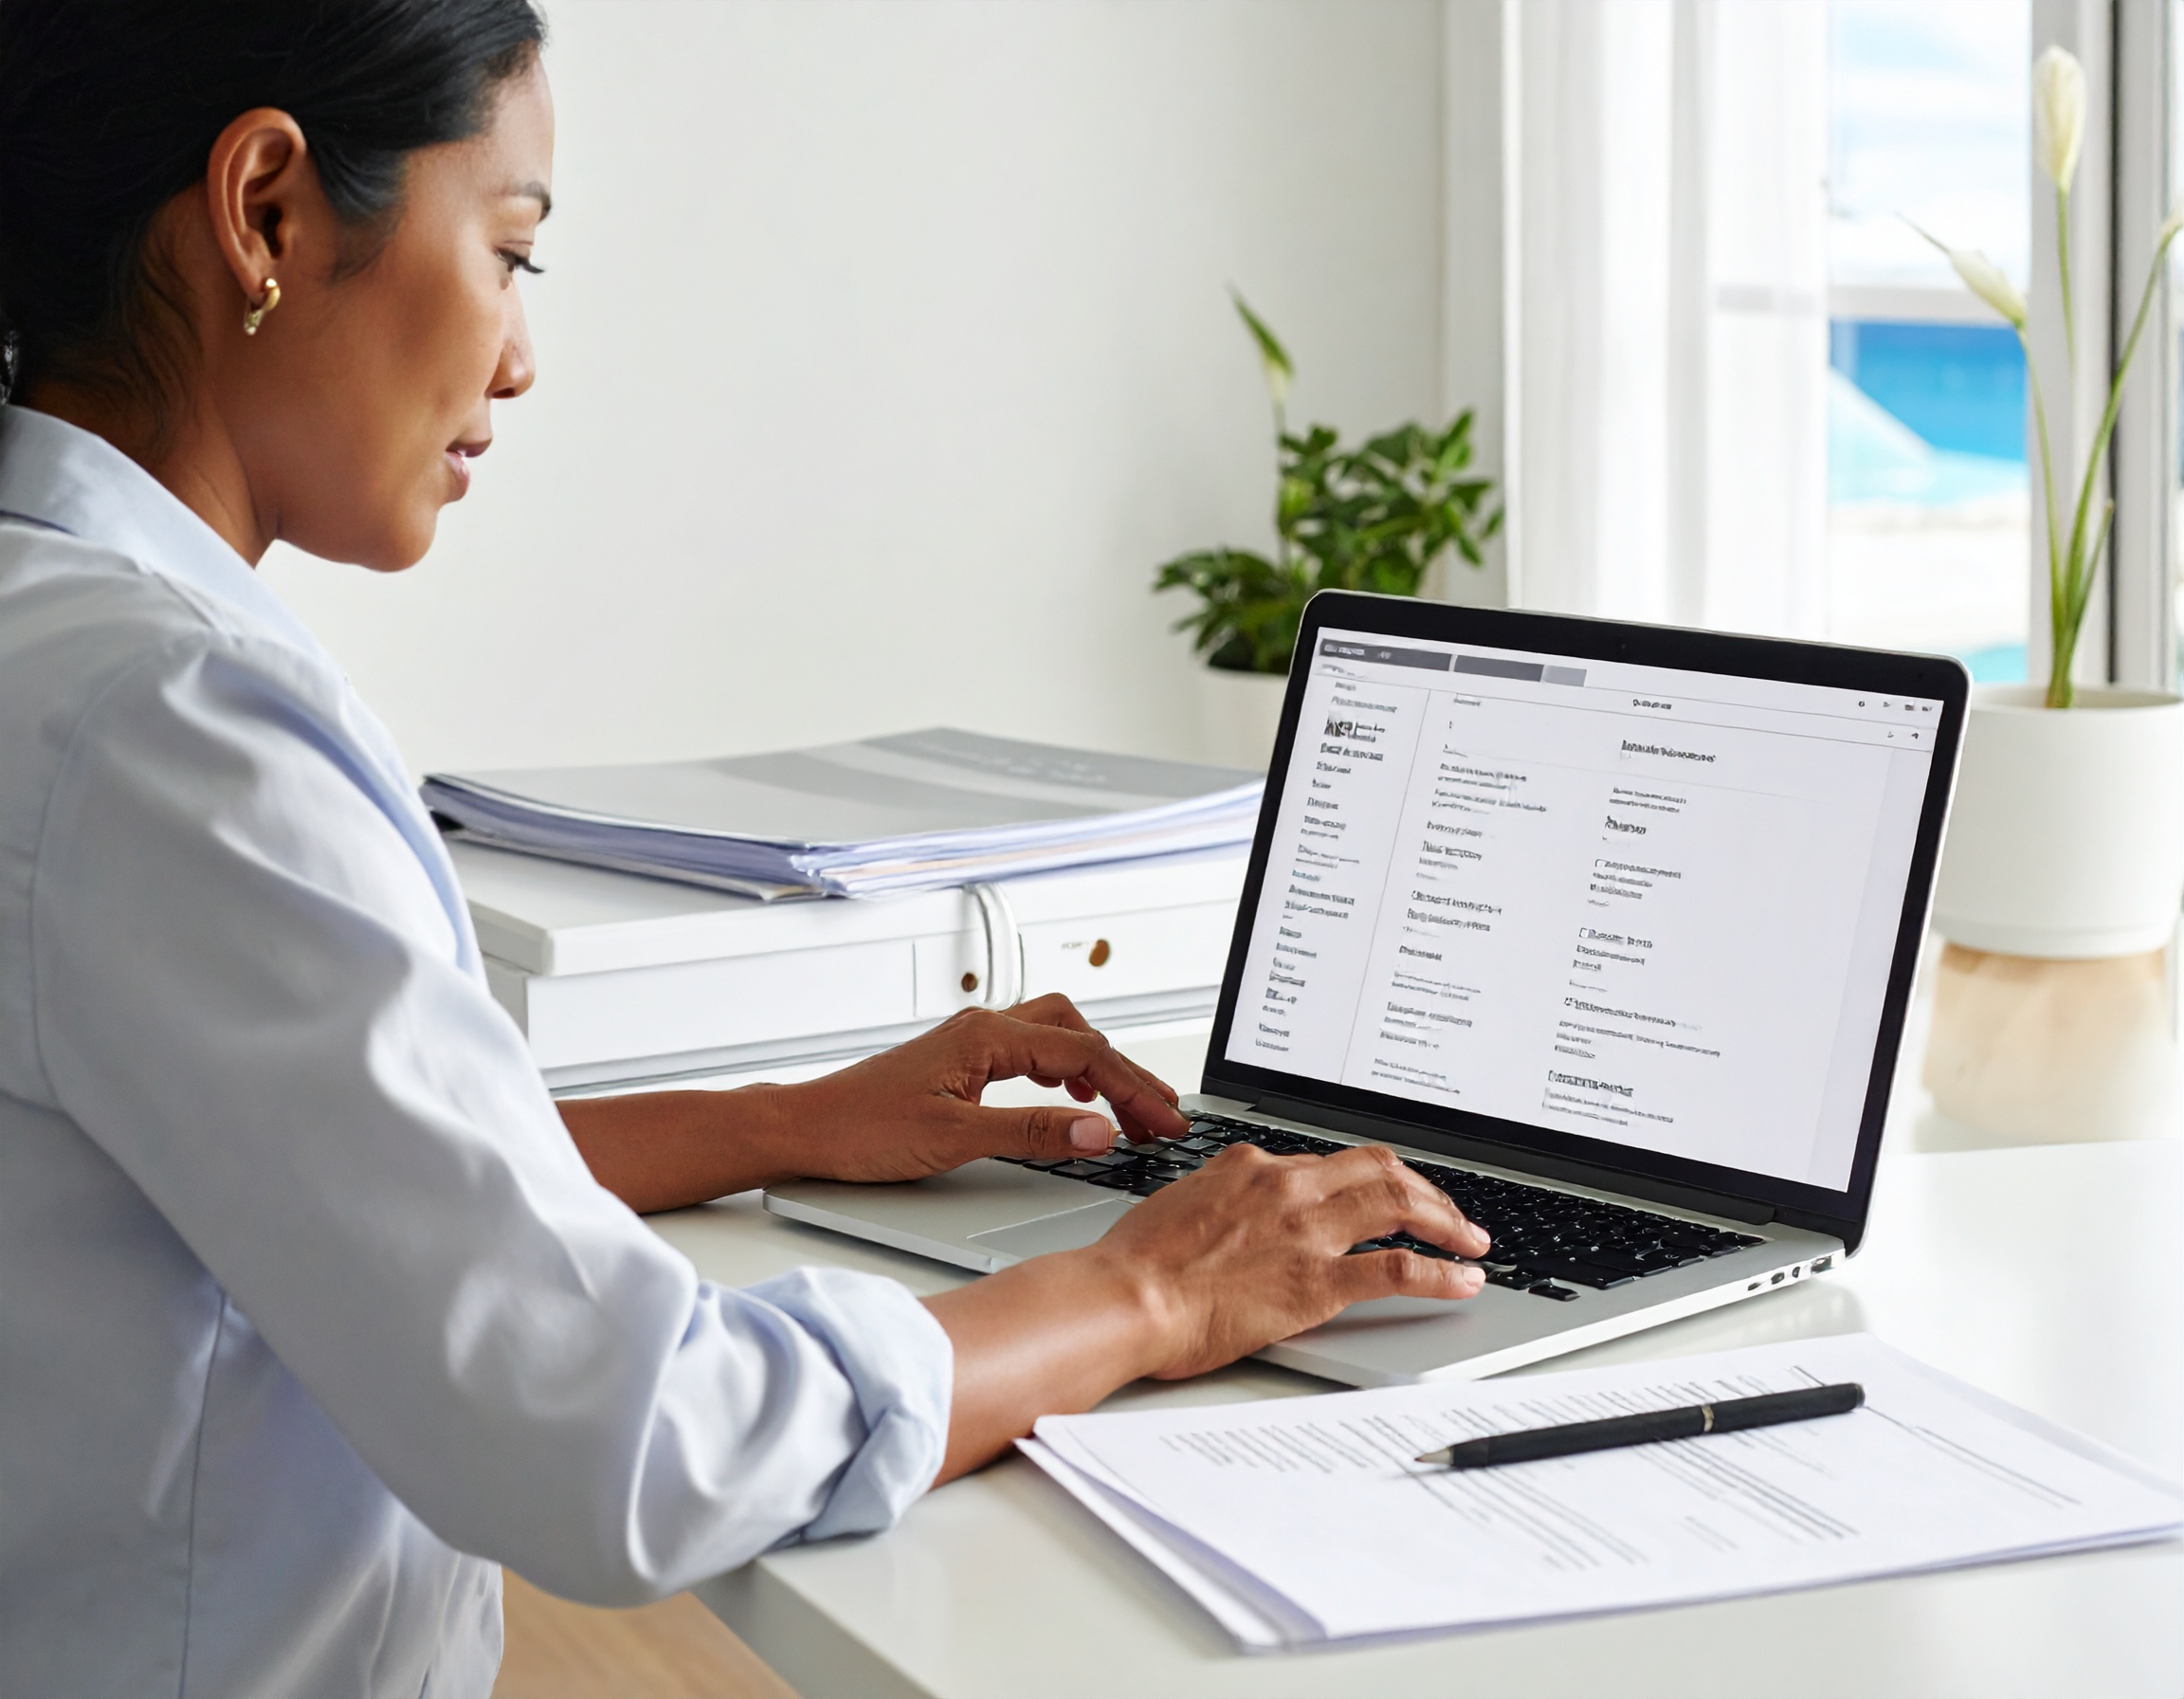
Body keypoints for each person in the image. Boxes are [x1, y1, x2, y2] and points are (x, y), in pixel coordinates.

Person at [0, 4, 1490, 1694]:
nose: (519, 358)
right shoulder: (172, 726)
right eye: (510, 253)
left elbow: (320, 1172)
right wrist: (1151, 1290)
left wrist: (787, 1123)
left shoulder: (60, 645)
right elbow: (625, 1446)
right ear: (267, 208)